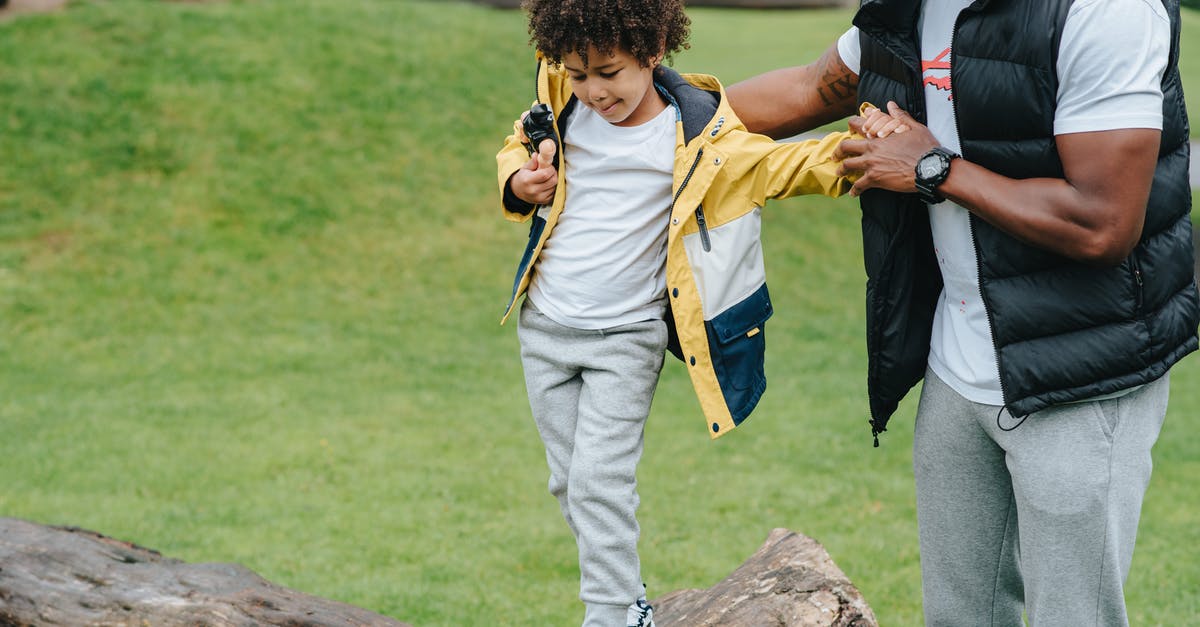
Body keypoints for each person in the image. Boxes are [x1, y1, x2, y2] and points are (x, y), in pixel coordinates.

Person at [727, 1, 1197, 625]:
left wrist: (933, 169)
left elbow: (1102, 223)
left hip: (1083, 375)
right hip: (958, 367)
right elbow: (812, 88)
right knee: (958, 615)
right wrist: (651, 118)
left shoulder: (1105, 11)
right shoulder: (909, 8)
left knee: (1073, 616)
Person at [494, 1, 883, 624]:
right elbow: (518, 142)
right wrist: (519, 181)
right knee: (569, 483)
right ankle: (631, 600)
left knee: (600, 482)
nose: (593, 90)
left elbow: (784, 165)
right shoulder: (560, 99)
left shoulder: (700, 136)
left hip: (626, 337)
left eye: (609, 72)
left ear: (651, 53)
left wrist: (864, 150)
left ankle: (613, 615)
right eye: (578, 73)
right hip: (544, 327)